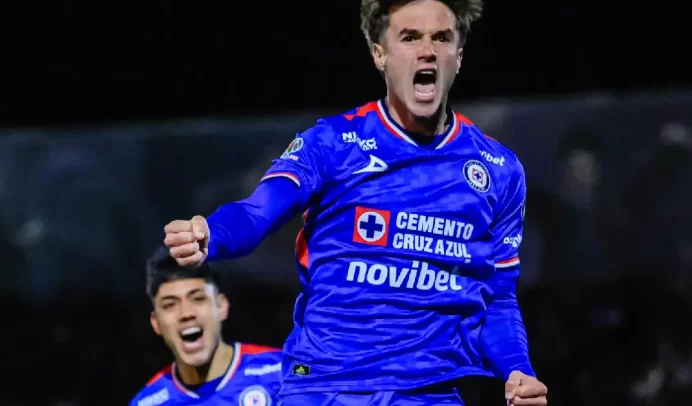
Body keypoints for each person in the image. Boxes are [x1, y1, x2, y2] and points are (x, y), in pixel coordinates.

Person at [163, 0, 548, 404]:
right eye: (410, 37)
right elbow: (257, 212)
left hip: (427, 392)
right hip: (323, 386)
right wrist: (212, 233)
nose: (427, 50)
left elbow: (498, 297)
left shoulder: (500, 170)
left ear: (459, 56)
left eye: (441, 38)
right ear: (380, 55)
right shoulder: (331, 142)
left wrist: (518, 369)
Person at [130, 248, 282, 405]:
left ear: (221, 306)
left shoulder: (284, 370)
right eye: (170, 305)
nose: (186, 313)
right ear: (156, 323)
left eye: (198, 299)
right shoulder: (146, 403)